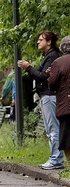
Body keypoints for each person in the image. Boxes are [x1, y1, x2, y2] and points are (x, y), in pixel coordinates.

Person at [18, 30, 64, 170]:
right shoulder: (46, 56)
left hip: (49, 95)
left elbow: (44, 77)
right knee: (50, 129)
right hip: (45, 96)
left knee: (53, 128)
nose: (38, 42)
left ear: (49, 42)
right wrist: (31, 69)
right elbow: (39, 74)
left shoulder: (52, 57)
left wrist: (28, 68)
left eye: (41, 39)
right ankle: (54, 158)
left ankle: (56, 160)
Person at [47, 35, 70, 167]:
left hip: (66, 106)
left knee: (67, 137)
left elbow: (52, 84)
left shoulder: (58, 62)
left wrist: (51, 74)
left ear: (62, 48)